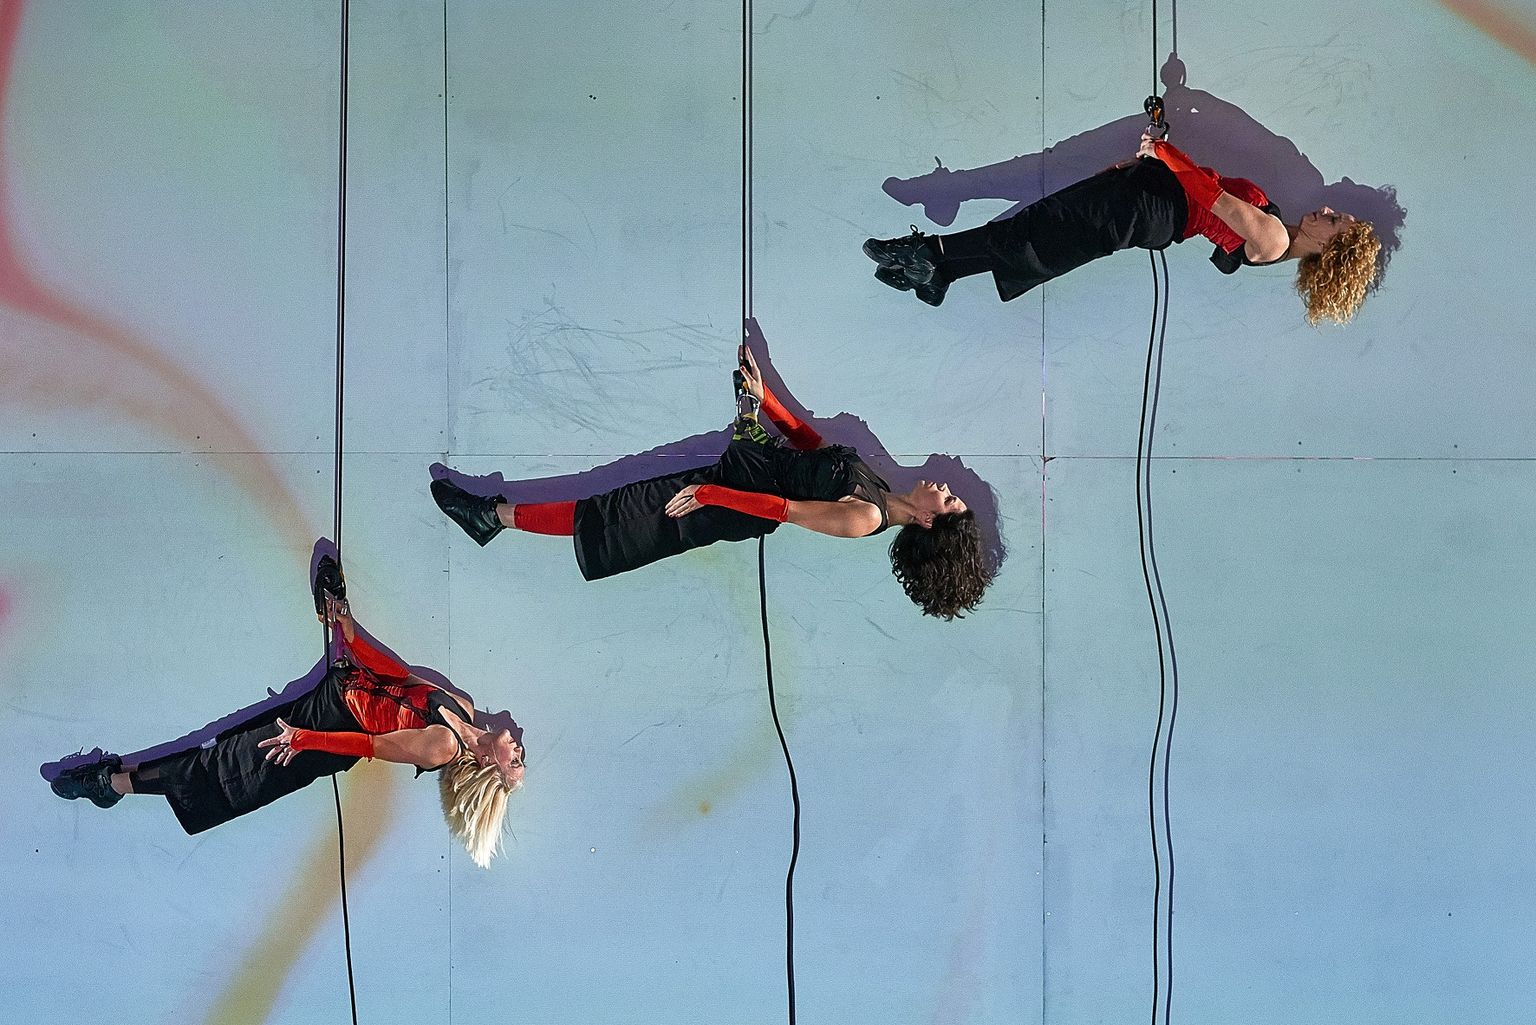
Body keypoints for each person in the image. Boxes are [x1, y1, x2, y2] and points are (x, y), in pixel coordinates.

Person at [431, 346, 996, 620]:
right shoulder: (876, 484)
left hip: (723, 503)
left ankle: (492, 517)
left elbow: (781, 509)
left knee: (609, 518)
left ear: (928, 520)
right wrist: (766, 398)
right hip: (728, 478)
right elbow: (811, 448)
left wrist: (707, 496)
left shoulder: (866, 518)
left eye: (948, 500)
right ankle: (493, 516)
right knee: (610, 506)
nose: (945, 486)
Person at [48, 556, 525, 868]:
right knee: (227, 743)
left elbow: (368, 745)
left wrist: (303, 739)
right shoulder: (461, 706)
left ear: (489, 764)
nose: (519, 745)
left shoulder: (441, 747)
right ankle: (332, 609)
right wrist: (348, 629)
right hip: (338, 694)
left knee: (226, 766)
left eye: (516, 760)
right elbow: (398, 676)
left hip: (326, 733)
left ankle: (109, 785)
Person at [865, 132, 1381, 324]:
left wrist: (1163, 152)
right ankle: (943, 272)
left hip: (1150, 208)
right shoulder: (1277, 227)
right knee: (1042, 239)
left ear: (1329, 249)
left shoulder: (1274, 239)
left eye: (1336, 222)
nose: (1328, 210)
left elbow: (1209, 196)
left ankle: (928, 251)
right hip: (1148, 202)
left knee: (1039, 231)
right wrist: (1153, 162)